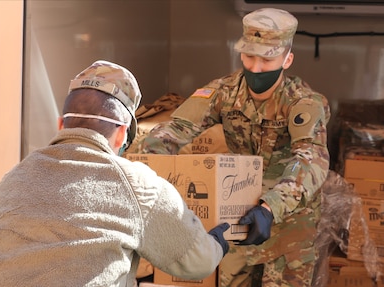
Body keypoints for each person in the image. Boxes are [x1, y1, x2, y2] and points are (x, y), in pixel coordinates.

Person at [0, 60, 230, 287]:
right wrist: (218, 241)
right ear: (121, 133)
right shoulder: (136, 183)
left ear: (61, 125)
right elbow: (198, 261)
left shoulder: (15, 176)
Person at [138, 8, 331, 287]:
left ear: (287, 59)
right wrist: (143, 168)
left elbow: (311, 159)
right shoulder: (223, 91)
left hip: (288, 227)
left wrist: (270, 207)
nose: (255, 67)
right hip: (237, 216)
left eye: (267, 58)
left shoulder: (303, 102)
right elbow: (175, 130)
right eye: (249, 56)